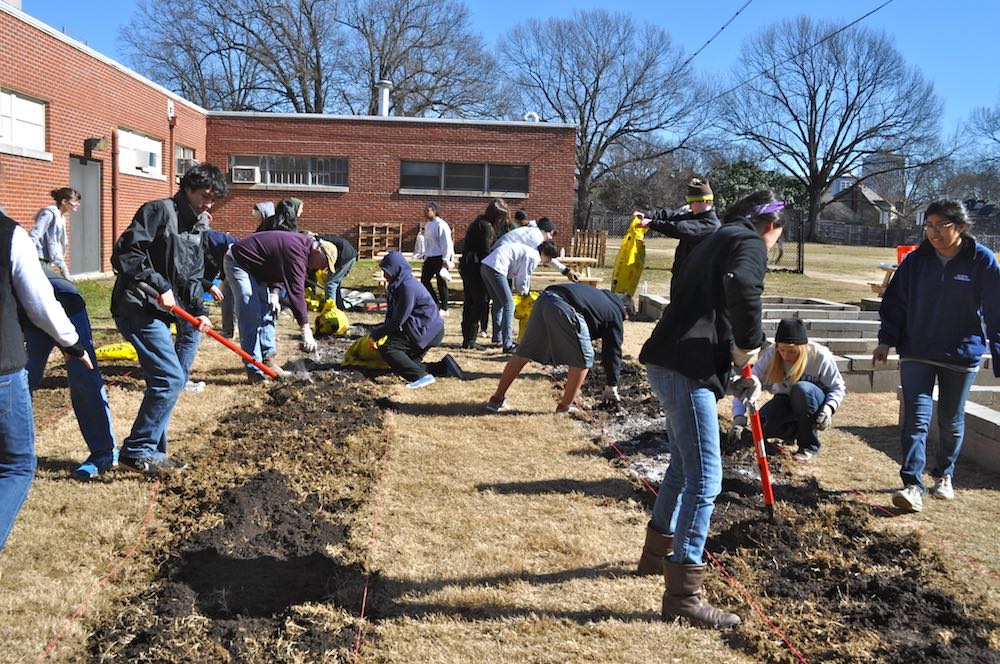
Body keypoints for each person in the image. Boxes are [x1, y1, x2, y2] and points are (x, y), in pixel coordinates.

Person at [635, 189, 785, 629]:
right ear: (770, 224)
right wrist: (749, 348)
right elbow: (742, 288)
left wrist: (737, 365)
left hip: (668, 360)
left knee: (682, 466)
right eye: (778, 232)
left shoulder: (715, 236)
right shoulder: (749, 241)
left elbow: (705, 303)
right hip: (686, 369)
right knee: (706, 477)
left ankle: (653, 557)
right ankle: (683, 596)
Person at [874, 199, 1000, 513]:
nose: (933, 232)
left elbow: (997, 312)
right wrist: (886, 341)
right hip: (916, 350)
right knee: (916, 420)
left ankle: (944, 475)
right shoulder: (916, 262)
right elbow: (894, 304)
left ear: (960, 226)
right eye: (928, 225)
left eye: (940, 225)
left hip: (961, 354)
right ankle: (912, 485)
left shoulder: (981, 261)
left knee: (950, 421)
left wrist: (998, 353)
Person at [110, 164, 227, 475]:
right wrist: (159, 285)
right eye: (204, 196)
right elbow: (125, 254)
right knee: (171, 378)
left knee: (165, 380)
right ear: (187, 188)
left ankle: (155, 453)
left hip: (161, 313)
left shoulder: (197, 226)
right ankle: (137, 450)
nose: (208, 205)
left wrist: (199, 310)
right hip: (136, 306)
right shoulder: (158, 211)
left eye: (213, 200)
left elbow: (191, 276)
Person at [2, 204, 92, 550]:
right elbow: (40, 303)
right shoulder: (9, 233)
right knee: (15, 467)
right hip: (3, 368)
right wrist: (72, 343)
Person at [24, 264, 119, 479]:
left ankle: (104, 452)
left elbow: (43, 305)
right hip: (26, 313)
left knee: (83, 376)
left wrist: (71, 344)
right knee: (21, 379)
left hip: (62, 301)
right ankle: (15, 454)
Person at [486, 283, 631, 413]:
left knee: (524, 352)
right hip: (564, 305)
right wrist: (612, 384)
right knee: (584, 359)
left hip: (545, 298)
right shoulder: (615, 312)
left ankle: (496, 399)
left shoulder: (600, 297)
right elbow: (612, 351)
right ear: (625, 311)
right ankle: (565, 406)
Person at [730, 317, 846, 462]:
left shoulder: (819, 356)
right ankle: (793, 431)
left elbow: (837, 387)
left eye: (791, 351)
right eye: (782, 350)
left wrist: (828, 409)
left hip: (811, 399)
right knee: (760, 427)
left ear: (802, 348)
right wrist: (739, 417)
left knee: (801, 389)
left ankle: (808, 445)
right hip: (785, 399)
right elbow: (747, 383)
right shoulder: (772, 354)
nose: (785, 356)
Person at [226, 231, 333, 381]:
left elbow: (278, 265)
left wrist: (275, 294)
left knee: (268, 312)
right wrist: (305, 329)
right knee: (250, 312)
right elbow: (296, 293)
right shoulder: (298, 252)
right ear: (317, 251)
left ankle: (268, 361)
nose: (321, 268)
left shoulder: (302, 250)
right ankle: (255, 370)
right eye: (323, 263)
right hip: (240, 263)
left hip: (259, 270)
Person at [370, 251, 463, 388]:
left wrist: (376, 335)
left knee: (389, 349)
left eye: (386, 271)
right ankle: (444, 367)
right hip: (425, 329)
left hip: (426, 330)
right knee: (406, 364)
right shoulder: (400, 284)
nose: (384, 275)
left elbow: (398, 320)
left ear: (396, 269)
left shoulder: (407, 287)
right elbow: (394, 317)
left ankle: (421, 377)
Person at [634, 177, 720, 298]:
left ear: (705, 201)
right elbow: (670, 215)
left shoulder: (711, 224)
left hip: (697, 281)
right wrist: (647, 215)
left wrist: (651, 223)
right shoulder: (693, 215)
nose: (689, 206)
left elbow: (679, 228)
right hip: (682, 274)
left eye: (692, 202)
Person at [480, 239, 561, 353]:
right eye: (549, 259)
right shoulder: (533, 257)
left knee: (499, 303)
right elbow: (522, 278)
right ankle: (507, 344)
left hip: (486, 265)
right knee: (509, 305)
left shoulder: (529, 251)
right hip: (496, 267)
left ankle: (497, 338)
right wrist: (524, 293)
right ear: (544, 254)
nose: (547, 262)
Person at [458, 199, 502, 349]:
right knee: (480, 301)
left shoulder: (479, 223)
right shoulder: (486, 227)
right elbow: (485, 250)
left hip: (467, 263)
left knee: (470, 301)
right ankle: (470, 339)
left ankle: (467, 338)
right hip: (475, 266)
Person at [491, 216, 580, 282]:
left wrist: (566, 271)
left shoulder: (532, 233)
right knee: (506, 302)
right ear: (545, 230)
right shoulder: (536, 236)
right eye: (551, 234)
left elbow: (547, 257)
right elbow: (545, 257)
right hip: (499, 263)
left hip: (499, 261)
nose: (550, 238)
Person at [28, 187, 81, 278]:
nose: (78, 204)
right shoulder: (49, 214)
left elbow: (57, 244)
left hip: (47, 261)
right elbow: (34, 235)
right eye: (75, 201)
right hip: (39, 260)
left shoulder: (61, 218)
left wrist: (63, 268)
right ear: (64, 202)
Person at [419, 202, 454, 314]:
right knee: (424, 280)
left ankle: (444, 307)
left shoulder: (441, 225)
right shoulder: (428, 225)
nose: (425, 213)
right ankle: (435, 303)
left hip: (439, 256)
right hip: (430, 256)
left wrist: (446, 259)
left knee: (441, 282)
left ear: (434, 211)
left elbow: (446, 243)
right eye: (424, 210)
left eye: (427, 210)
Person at [315, 233, 358, 310]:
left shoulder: (317, 242)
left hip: (345, 257)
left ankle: (330, 309)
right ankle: (339, 305)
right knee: (335, 283)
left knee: (331, 283)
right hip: (350, 255)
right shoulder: (320, 239)